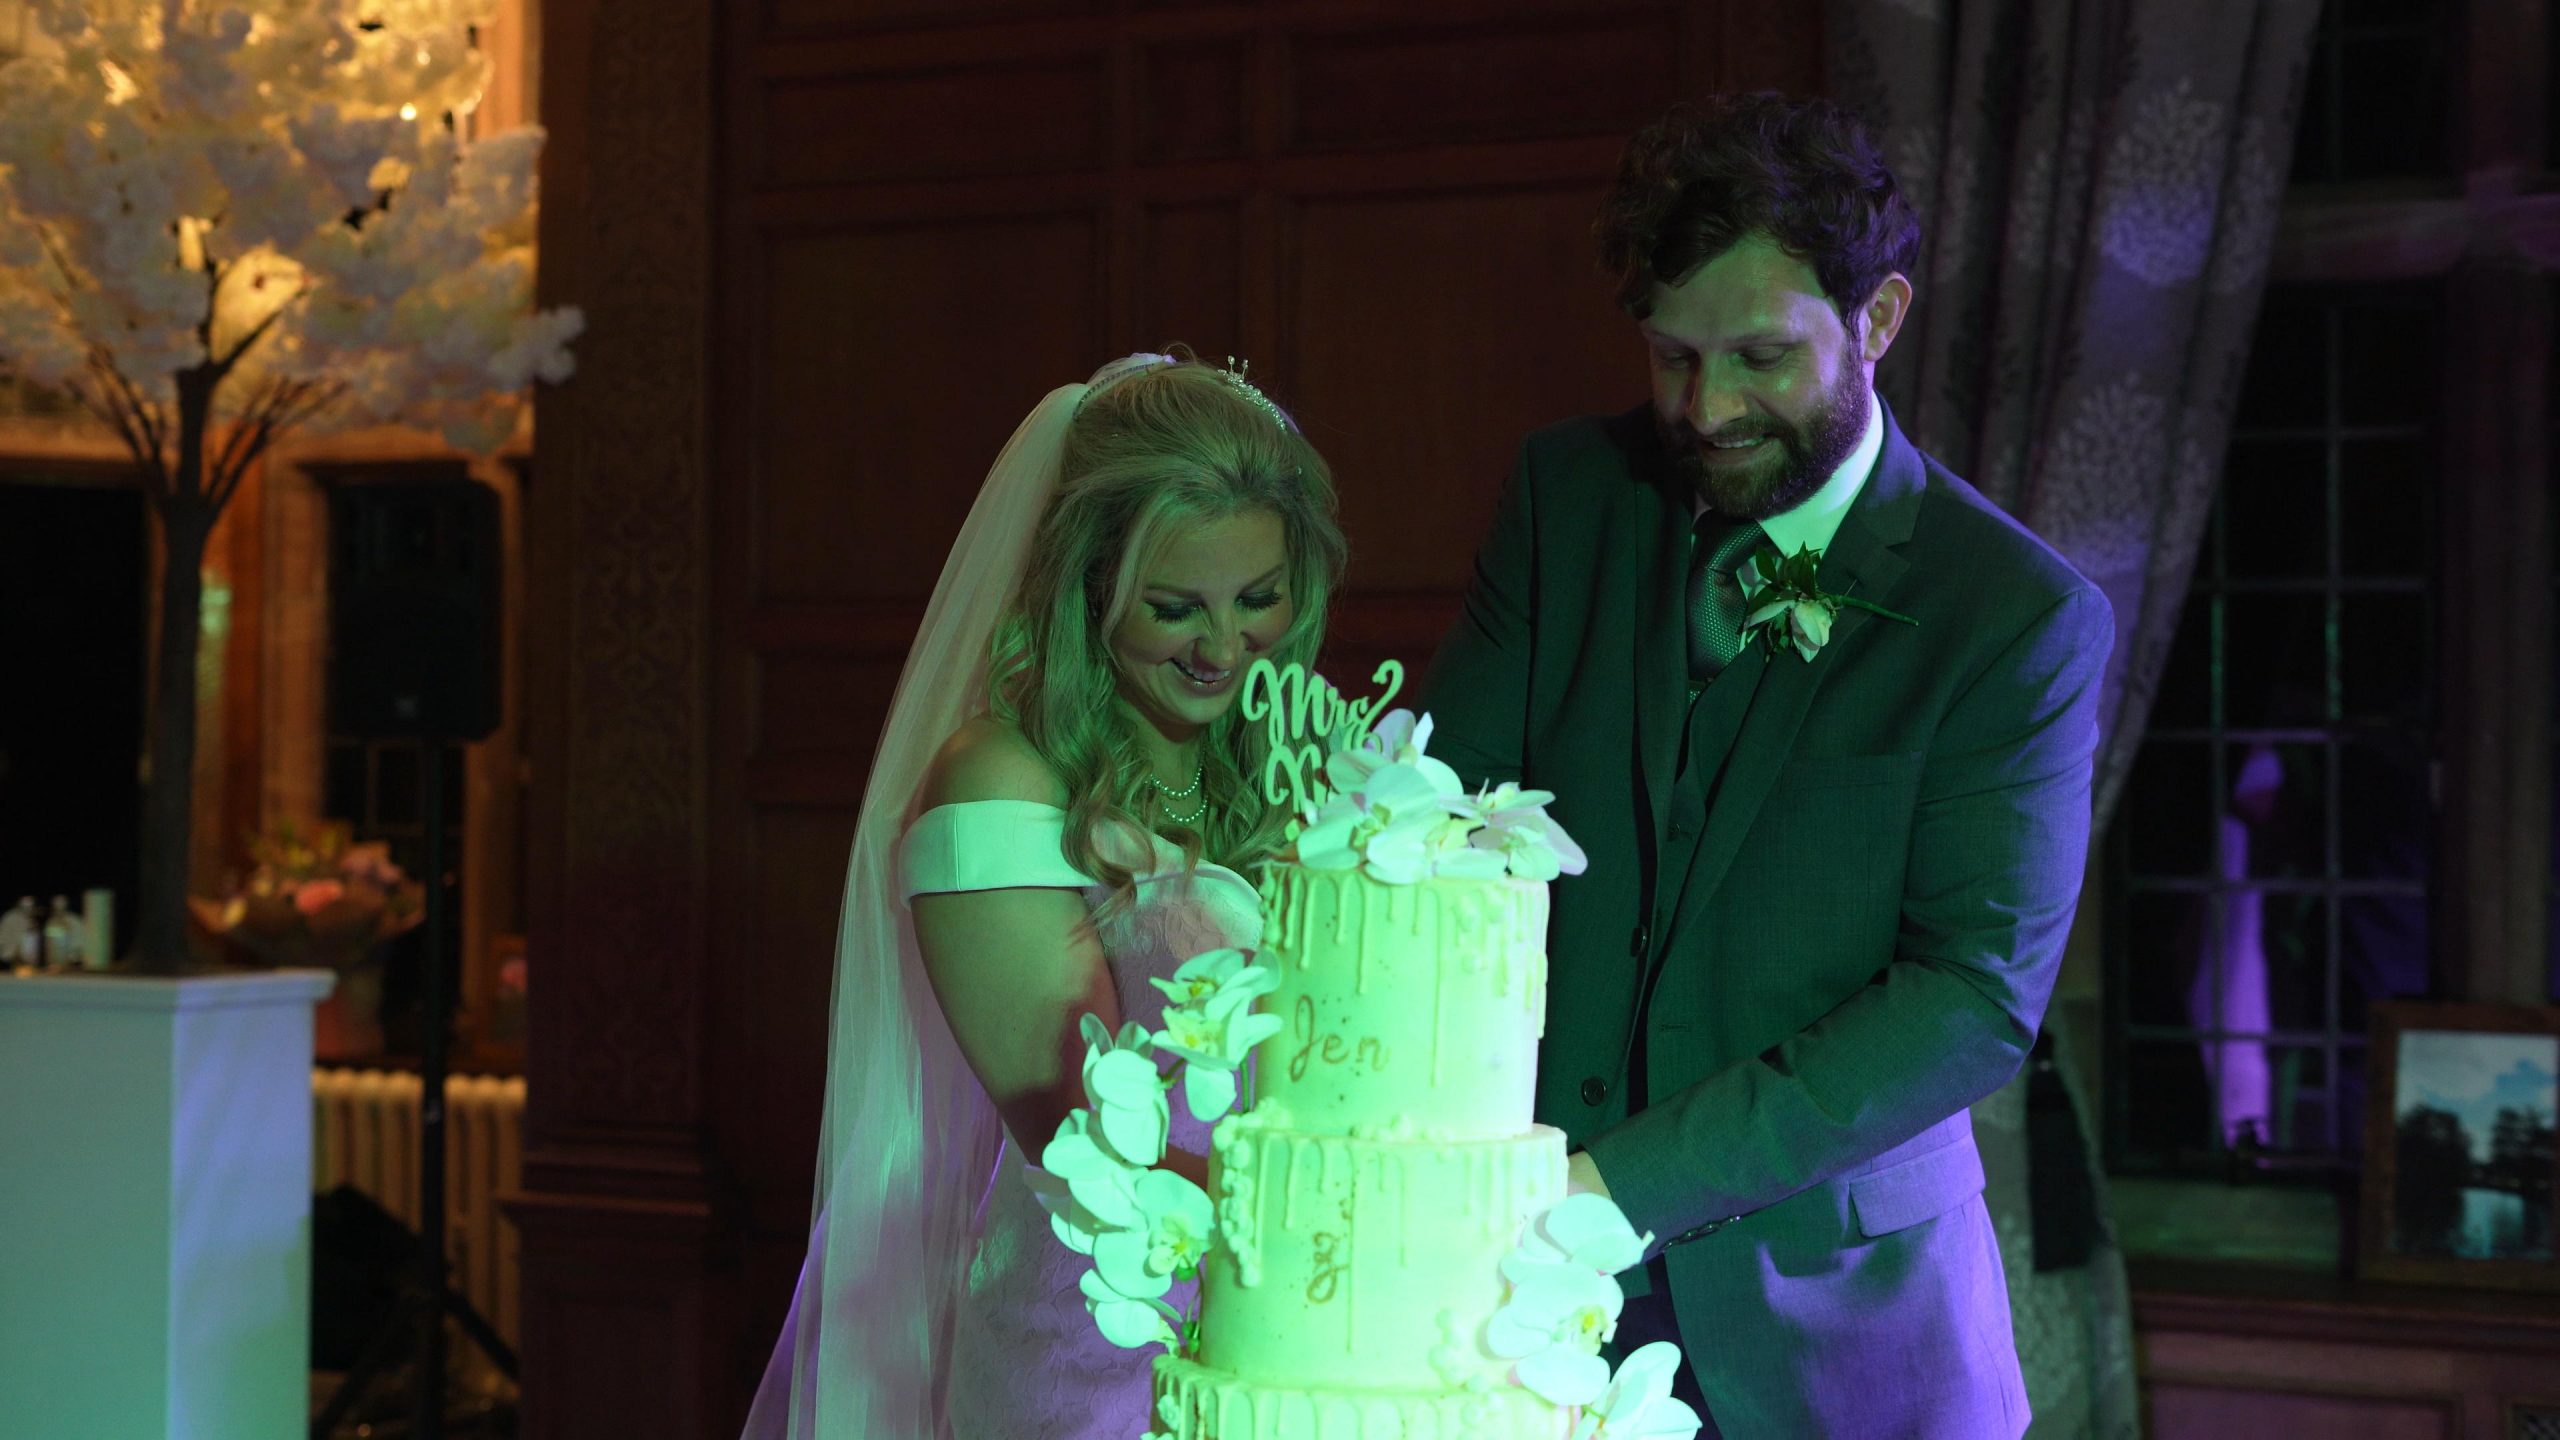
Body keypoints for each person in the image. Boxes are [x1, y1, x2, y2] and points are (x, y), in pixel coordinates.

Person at [1420, 94, 2113, 1438]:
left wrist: (1616, 1190)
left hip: (1844, 1335)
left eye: (1761, 357)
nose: (1710, 408)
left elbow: (1971, 998)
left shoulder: (2014, 616)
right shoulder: (1567, 500)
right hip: (1512, 1315)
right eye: (1673, 357)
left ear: (1880, 318)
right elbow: (1446, 819)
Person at [743, 351, 1348, 1440]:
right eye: (1175, 607)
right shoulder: (998, 783)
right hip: (1098, 1360)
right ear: (1086, 586)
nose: (1224, 647)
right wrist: (1352, 1233)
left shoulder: (1279, 767)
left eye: (1259, 597)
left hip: (1298, 1343)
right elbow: (1082, 1145)